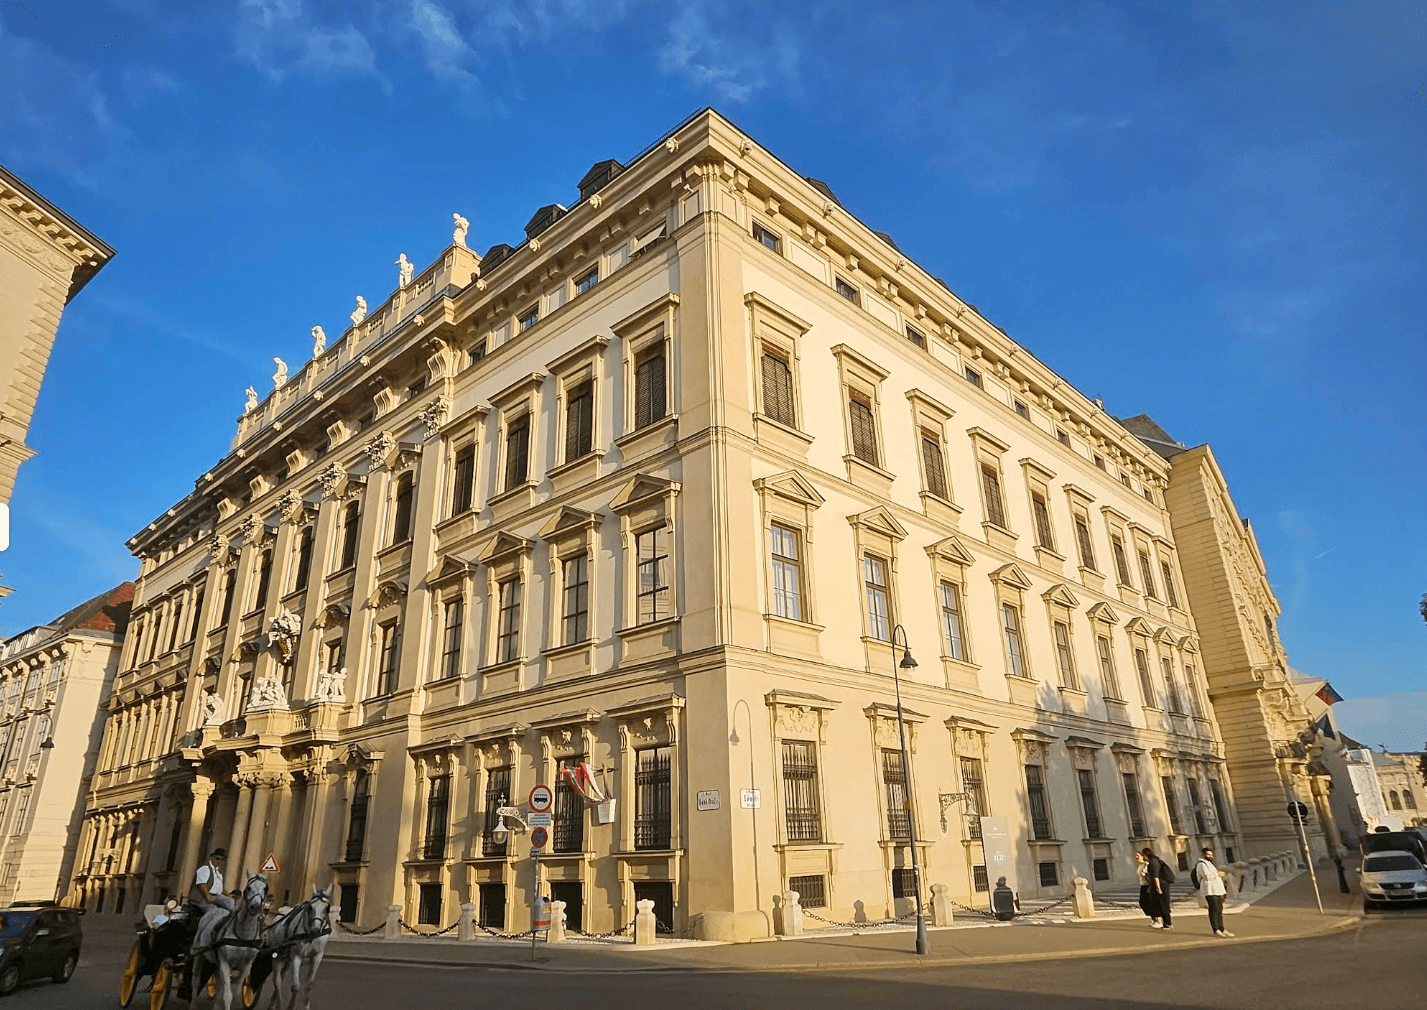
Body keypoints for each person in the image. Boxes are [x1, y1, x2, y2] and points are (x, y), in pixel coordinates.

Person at [1193, 847, 1234, 937]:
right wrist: (1218, 874)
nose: (1211, 856)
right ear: (1203, 854)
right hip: (1210, 891)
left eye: (1212, 855)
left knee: (1219, 910)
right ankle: (1216, 929)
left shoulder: (1210, 864)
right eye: (1208, 854)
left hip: (1217, 890)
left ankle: (1222, 928)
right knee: (1213, 910)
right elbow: (1206, 876)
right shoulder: (1201, 864)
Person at [191, 848, 234, 914]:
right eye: (217, 858)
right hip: (202, 898)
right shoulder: (205, 869)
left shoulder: (219, 872)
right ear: (212, 858)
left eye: (221, 860)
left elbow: (220, 887)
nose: (219, 861)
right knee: (214, 910)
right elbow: (202, 885)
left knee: (230, 902)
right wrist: (207, 896)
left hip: (217, 896)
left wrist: (228, 895)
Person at [1141, 846, 1174, 930]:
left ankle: (1168, 923)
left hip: (1161, 885)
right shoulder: (1153, 861)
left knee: (1163, 905)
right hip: (1159, 885)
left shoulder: (1153, 862)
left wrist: (1158, 888)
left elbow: (1155, 876)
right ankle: (1166, 923)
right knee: (1160, 904)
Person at [1136, 850, 1161, 927]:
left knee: (1152, 902)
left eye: (1138, 856)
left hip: (1148, 885)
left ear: (1142, 856)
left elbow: (1150, 874)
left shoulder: (1146, 864)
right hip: (1142, 885)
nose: (1136, 858)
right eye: (1135, 856)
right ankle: (1153, 918)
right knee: (1143, 903)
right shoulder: (1139, 865)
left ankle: (1159, 921)